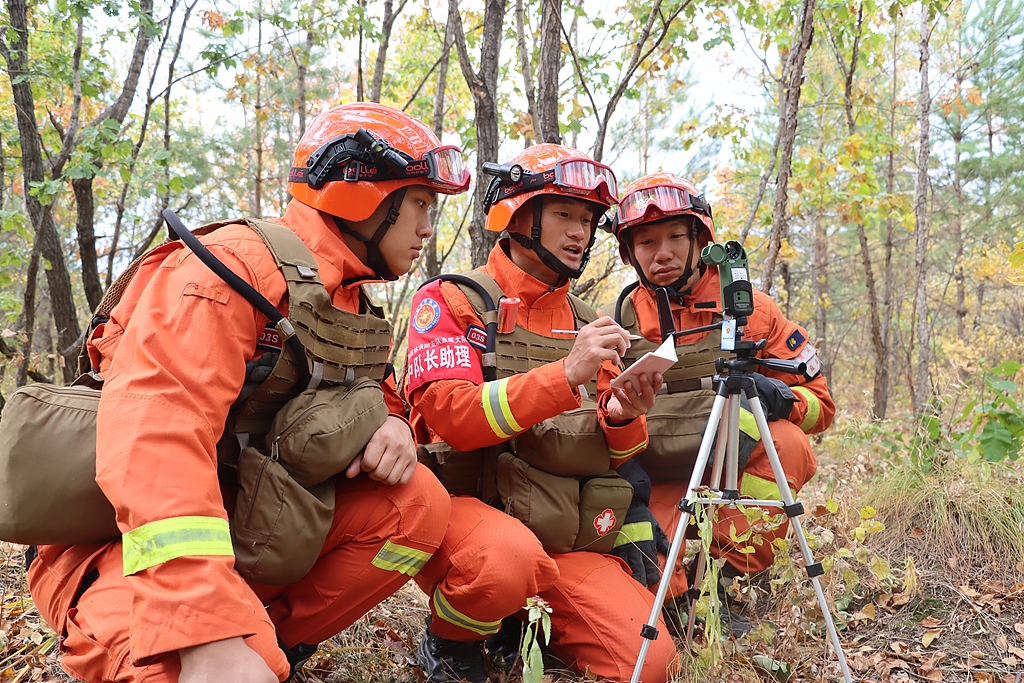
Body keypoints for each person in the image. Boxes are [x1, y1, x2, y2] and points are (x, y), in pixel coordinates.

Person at [25, 103, 468, 683]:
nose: (428, 228)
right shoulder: (235, 268)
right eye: (419, 204)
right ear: (363, 194)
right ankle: (231, 644)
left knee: (417, 507)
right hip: (121, 542)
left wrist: (393, 423)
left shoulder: (347, 299)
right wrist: (203, 630)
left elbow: (368, 384)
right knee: (174, 668)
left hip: (239, 523)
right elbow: (155, 431)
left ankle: (272, 644)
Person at [403, 144, 678, 683]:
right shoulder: (452, 301)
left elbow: (620, 454)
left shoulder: (589, 322)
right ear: (517, 214)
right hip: (473, 517)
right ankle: (450, 639)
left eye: (587, 219)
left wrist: (623, 415)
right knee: (505, 561)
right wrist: (564, 376)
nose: (580, 232)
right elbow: (454, 419)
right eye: (564, 215)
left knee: (650, 665)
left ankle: (523, 632)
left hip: (561, 531)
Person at [602, 172, 835, 633]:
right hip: (660, 470)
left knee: (787, 444)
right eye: (646, 242)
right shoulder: (618, 322)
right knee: (649, 570)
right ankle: (678, 599)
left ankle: (729, 583)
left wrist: (780, 397)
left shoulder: (751, 310)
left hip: (733, 460)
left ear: (700, 240)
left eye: (674, 237)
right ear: (630, 252)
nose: (661, 252)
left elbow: (821, 405)